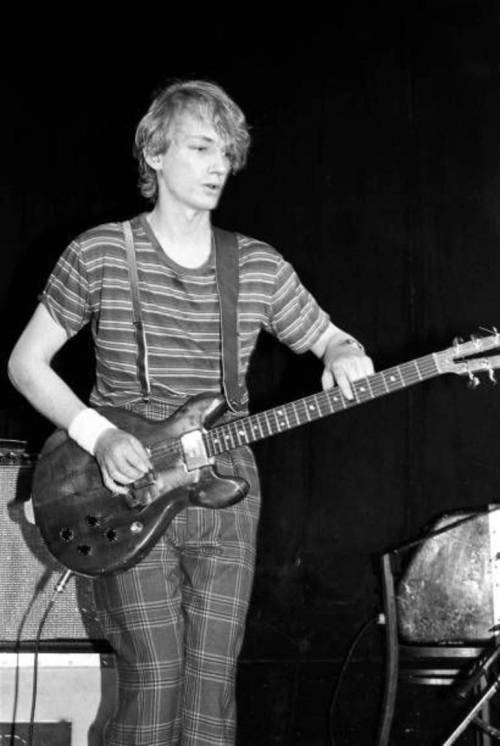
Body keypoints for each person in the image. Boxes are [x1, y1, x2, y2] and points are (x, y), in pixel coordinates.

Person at [8, 80, 374, 746]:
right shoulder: (99, 252)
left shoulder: (255, 265)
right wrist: (100, 434)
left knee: (211, 691)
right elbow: (25, 363)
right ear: (155, 152)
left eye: (227, 152)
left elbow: (330, 338)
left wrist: (344, 352)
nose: (218, 165)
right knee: (154, 681)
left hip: (225, 481)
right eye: (202, 147)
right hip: (125, 482)